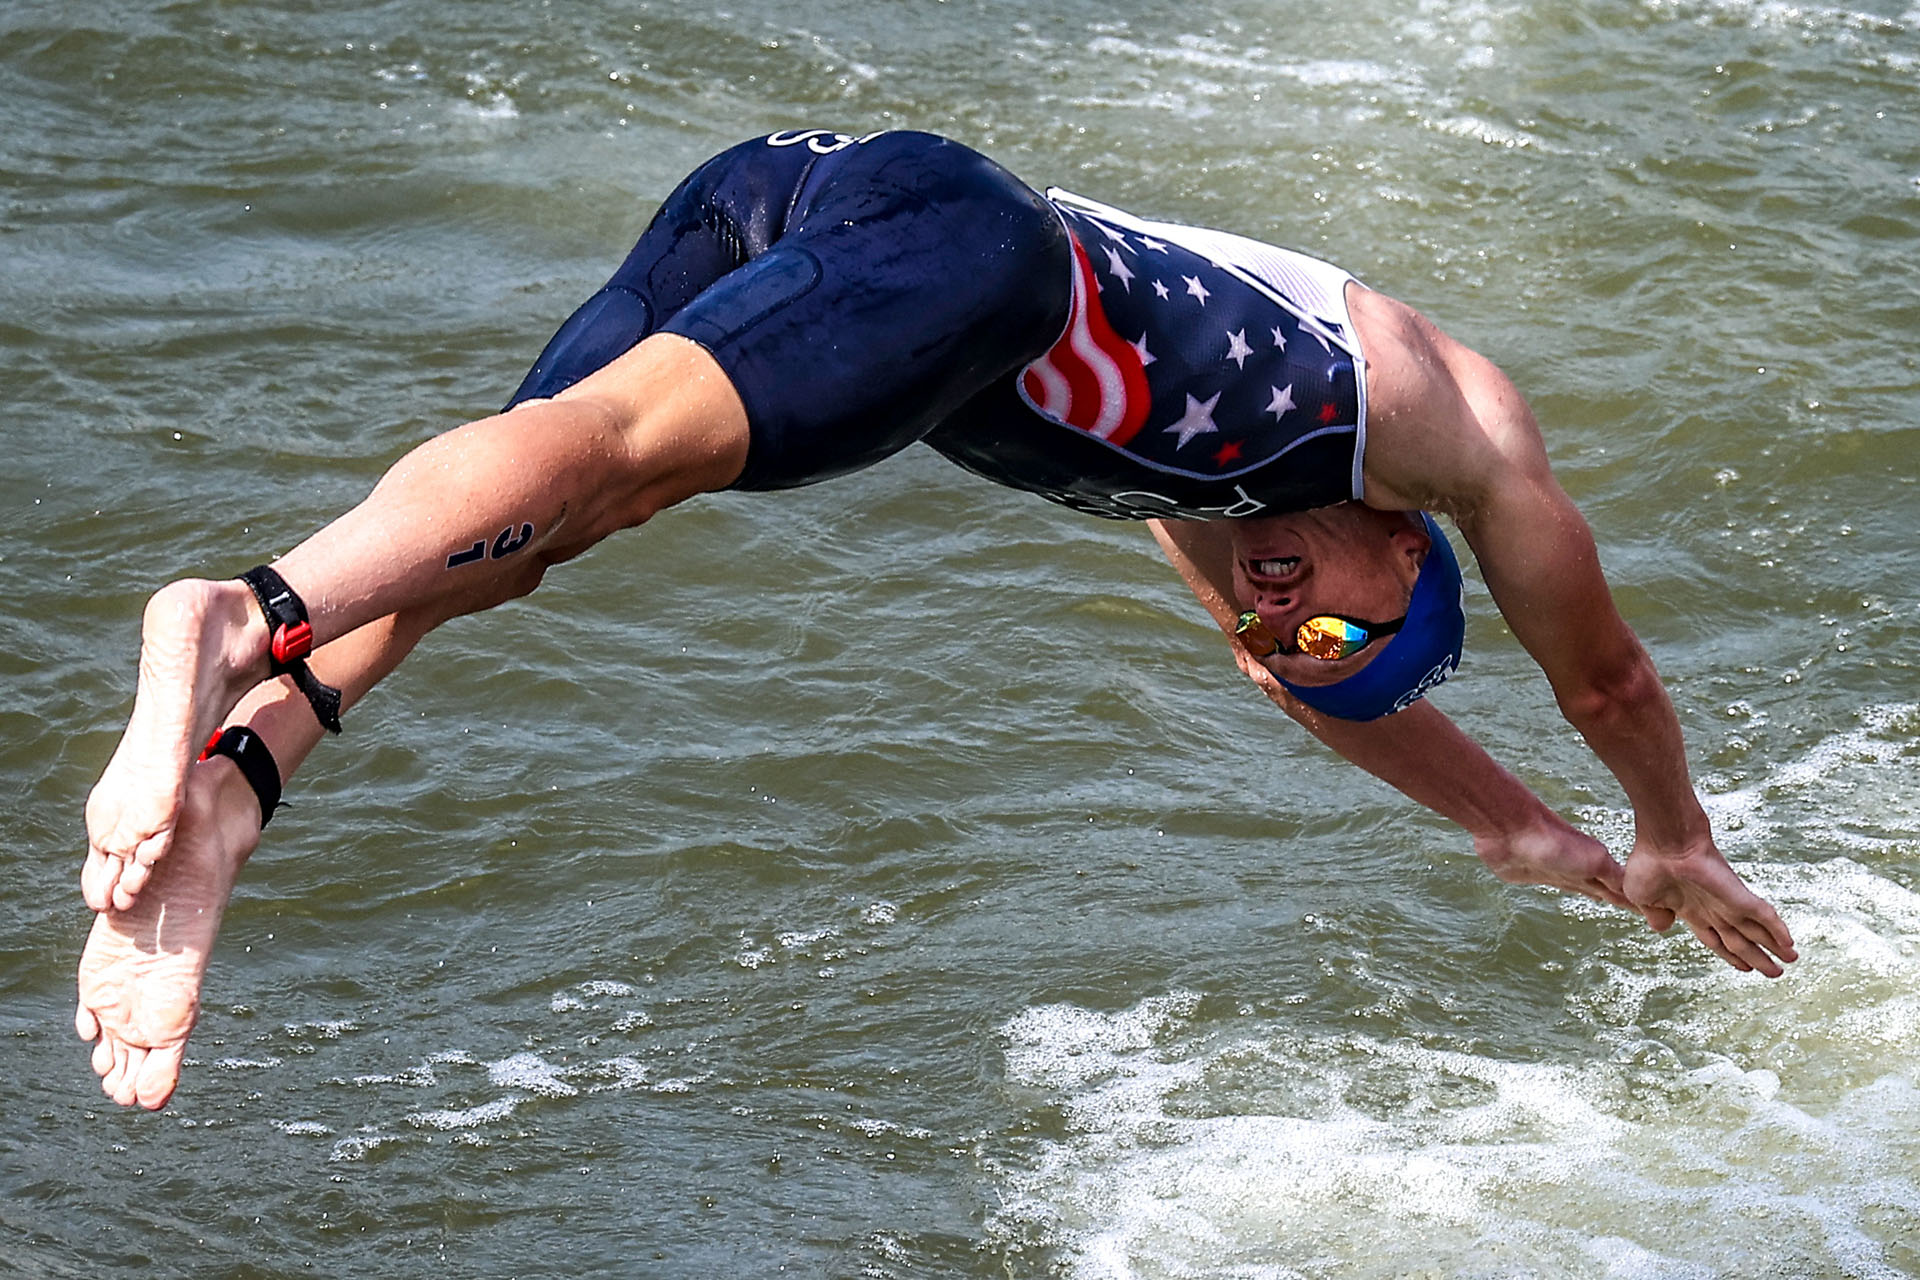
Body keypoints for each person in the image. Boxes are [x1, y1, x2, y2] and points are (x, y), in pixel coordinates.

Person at [75, 128, 1796, 1111]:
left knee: (510, 537)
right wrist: (1669, 834)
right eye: (1338, 626)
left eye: (1292, 652)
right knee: (605, 465)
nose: (1284, 627)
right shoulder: (1451, 436)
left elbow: (1321, 706)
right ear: (1418, 560)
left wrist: (1523, 837)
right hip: (958, 246)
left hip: (785, 197)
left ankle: (239, 779)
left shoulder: (1213, 536)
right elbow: (1613, 671)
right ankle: (244, 606)